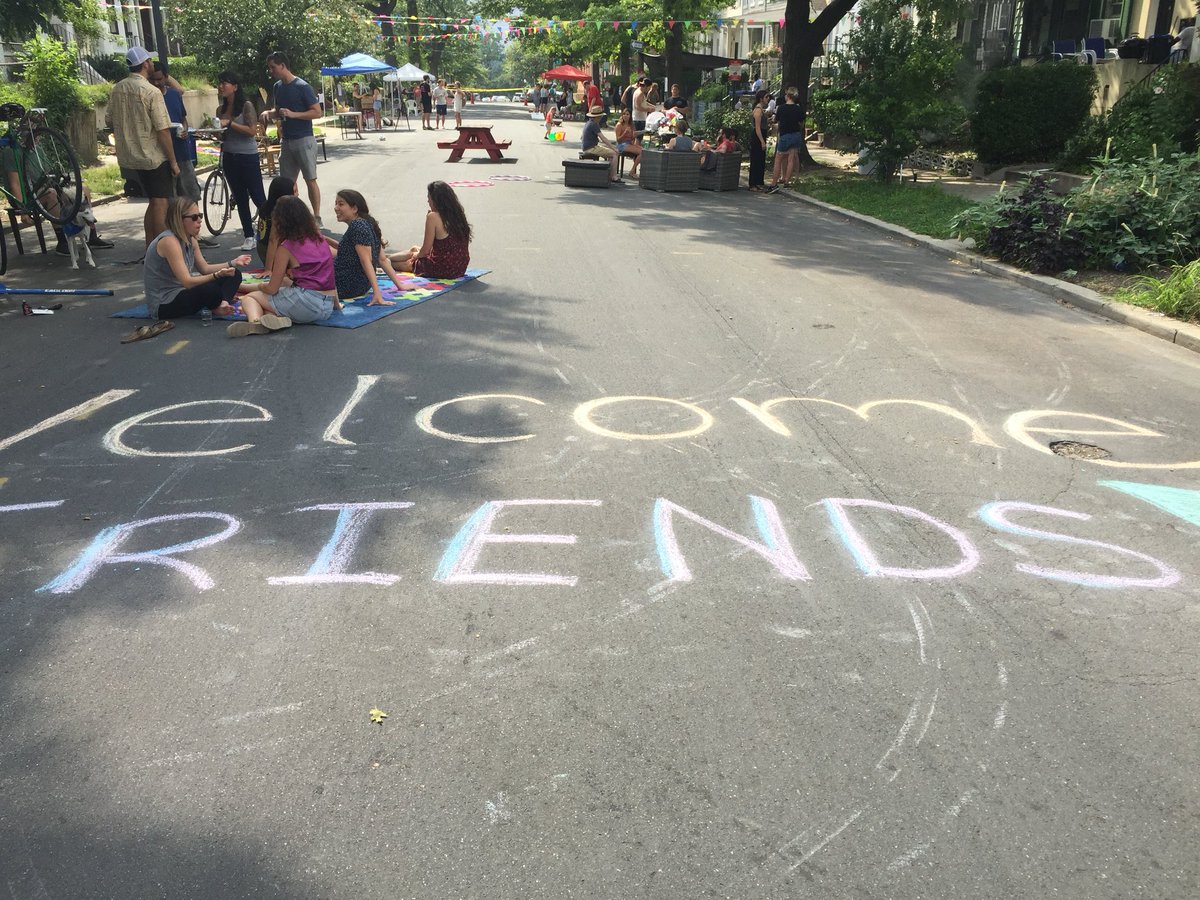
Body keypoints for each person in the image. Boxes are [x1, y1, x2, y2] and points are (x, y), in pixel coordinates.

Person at [232, 196, 339, 336]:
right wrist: (337, 306)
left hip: (306, 304)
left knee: (251, 298)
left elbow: (272, 288)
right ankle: (277, 319)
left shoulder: (286, 247)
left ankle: (255, 322)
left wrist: (261, 287)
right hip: (326, 307)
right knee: (281, 290)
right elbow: (330, 276)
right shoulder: (319, 238)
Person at [105, 46, 179, 246]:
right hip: (152, 156)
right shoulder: (151, 91)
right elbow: (163, 129)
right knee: (160, 202)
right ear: (146, 63)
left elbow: (109, 119)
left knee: (153, 202)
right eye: (150, 60)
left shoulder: (117, 89)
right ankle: (162, 249)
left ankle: (150, 246)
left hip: (129, 156)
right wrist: (173, 161)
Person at [144, 197, 252, 321]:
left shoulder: (191, 239)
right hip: (164, 303)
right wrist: (217, 275)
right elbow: (187, 282)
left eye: (200, 216)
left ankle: (221, 303)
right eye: (194, 217)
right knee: (210, 290)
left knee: (234, 274)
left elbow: (205, 268)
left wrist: (232, 263)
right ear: (179, 220)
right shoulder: (169, 242)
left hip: (182, 291)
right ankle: (217, 303)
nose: (200, 220)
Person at [261, 51, 323, 226]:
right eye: (269, 68)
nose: (271, 71)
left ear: (282, 66)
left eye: (273, 67)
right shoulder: (277, 87)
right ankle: (290, 218)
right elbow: (279, 111)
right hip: (286, 140)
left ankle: (316, 217)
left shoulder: (302, 86)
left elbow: (317, 112)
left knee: (310, 179)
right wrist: (269, 113)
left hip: (304, 139)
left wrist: (294, 114)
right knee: (286, 183)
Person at [215, 70, 267, 252]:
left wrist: (230, 124)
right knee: (240, 197)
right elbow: (221, 135)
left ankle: (271, 231)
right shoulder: (219, 110)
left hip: (247, 156)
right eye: (220, 83)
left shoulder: (246, 106)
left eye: (225, 83)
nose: (221, 86)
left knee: (258, 196)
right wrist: (213, 130)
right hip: (230, 156)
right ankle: (248, 235)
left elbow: (252, 131)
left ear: (235, 86)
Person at [328, 189, 400, 306]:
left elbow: (366, 260)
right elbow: (382, 259)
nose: (336, 208)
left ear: (354, 209)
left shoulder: (357, 226)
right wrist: (400, 285)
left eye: (341, 204)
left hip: (346, 284)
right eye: (336, 204)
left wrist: (377, 294)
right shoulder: (366, 223)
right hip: (359, 285)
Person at [389, 181, 472, 279]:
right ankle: (385, 258)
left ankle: (382, 262)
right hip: (460, 266)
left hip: (444, 267)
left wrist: (416, 256)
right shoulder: (457, 214)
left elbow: (425, 250)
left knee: (410, 263)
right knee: (414, 249)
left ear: (436, 200)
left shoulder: (433, 217)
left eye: (429, 198)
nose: (428, 201)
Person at [767, 86, 804, 194]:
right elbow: (801, 123)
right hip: (796, 134)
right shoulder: (798, 108)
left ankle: (774, 183)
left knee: (778, 159)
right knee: (791, 158)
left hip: (785, 135)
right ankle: (787, 181)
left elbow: (776, 120)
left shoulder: (781, 108)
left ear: (787, 96)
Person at [256, 175, 296, 267]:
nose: (298, 194)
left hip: (261, 246)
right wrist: (268, 268)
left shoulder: (266, 205)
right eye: (295, 191)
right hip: (272, 251)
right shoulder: (279, 214)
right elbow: (273, 240)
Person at [579, 105, 622, 184]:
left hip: (587, 146)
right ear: (598, 117)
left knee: (609, 151)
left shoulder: (588, 122)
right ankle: (614, 176)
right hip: (591, 148)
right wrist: (614, 148)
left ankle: (609, 174)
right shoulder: (594, 124)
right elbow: (603, 138)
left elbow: (582, 137)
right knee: (614, 153)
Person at [748, 89, 770, 193]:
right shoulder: (757, 110)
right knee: (756, 160)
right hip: (757, 137)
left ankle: (758, 182)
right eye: (766, 97)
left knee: (760, 160)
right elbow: (757, 128)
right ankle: (752, 183)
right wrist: (762, 141)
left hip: (763, 134)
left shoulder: (762, 110)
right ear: (761, 99)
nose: (768, 99)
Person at [613, 109, 641, 178]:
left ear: (630, 116)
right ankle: (632, 171)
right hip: (621, 145)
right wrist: (625, 133)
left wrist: (633, 136)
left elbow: (632, 139)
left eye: (627, 114)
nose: (625, 116)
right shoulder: (619, 125)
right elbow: (618, 140)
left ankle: (635, 170)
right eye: (624, 114)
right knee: (641, 152)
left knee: (645, 151)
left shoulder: (631, 125)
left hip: (629, 144)